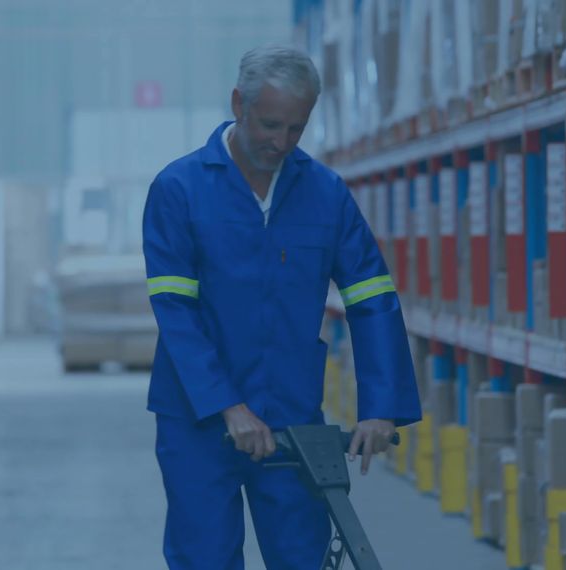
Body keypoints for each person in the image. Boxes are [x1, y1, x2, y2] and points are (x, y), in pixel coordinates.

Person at [141, 45, 422, 569]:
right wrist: (229, 406)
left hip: (292, 413)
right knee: (204, 557)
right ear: (237, 104)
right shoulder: (179, 189)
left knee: (301, 556)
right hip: (197, 419)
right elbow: (176, 312)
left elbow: (371, 297)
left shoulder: (325, 193)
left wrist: (381, 407)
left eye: (296, 128)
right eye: (270, 125)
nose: (281, 142)